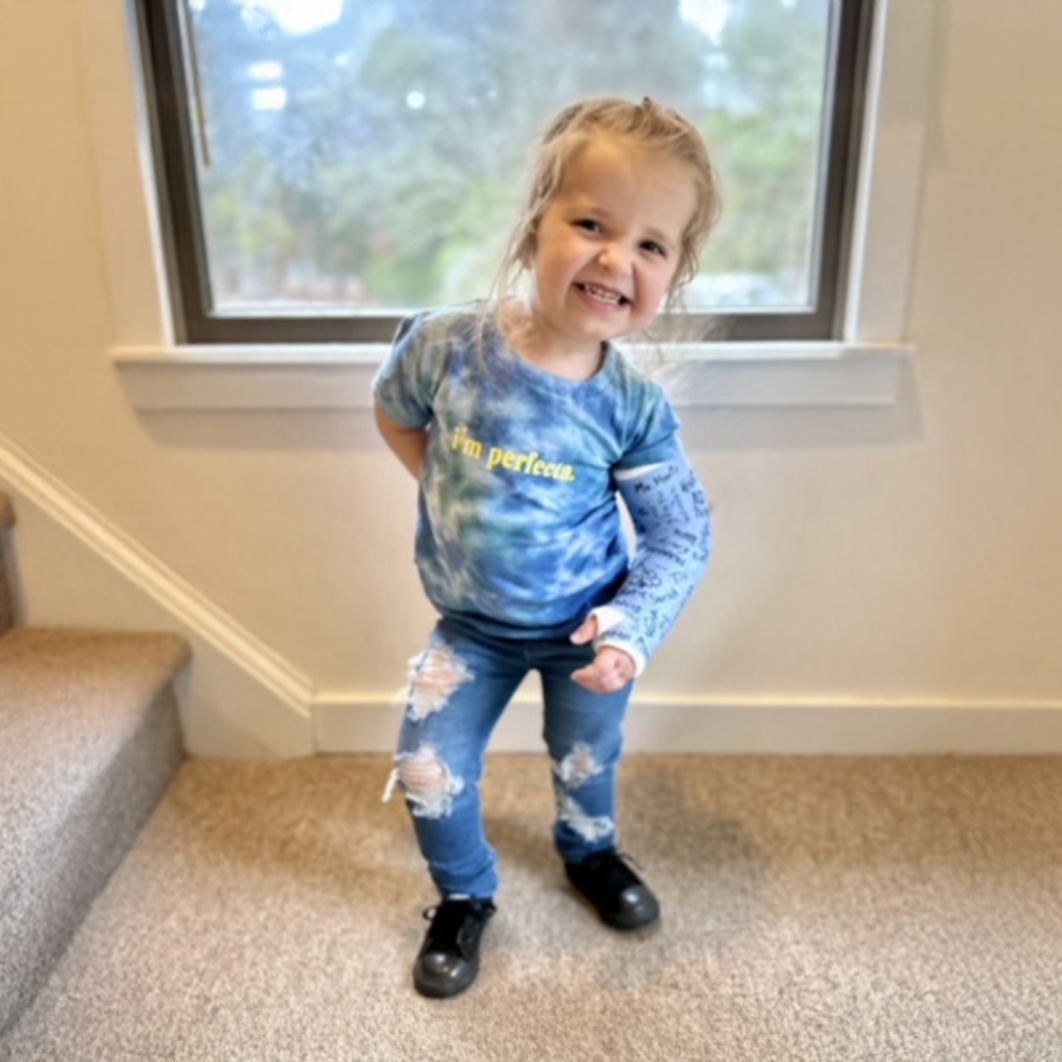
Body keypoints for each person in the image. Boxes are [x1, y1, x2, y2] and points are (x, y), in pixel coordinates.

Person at [373, 96, 720, 999]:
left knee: (585, 759)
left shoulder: (632, 407)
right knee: (426, 765)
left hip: (585, 635)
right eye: (593, 223)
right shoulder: (446, 347)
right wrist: (450, 495)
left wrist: (631, 626)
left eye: (652, 244)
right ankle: (463, 895)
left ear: (672, 274)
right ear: (536, 226)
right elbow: (395, 411)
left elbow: (681, 531)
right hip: (470, 628)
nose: (617, 257)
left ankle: (590, 852)